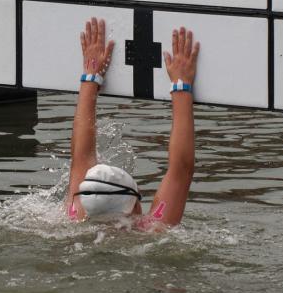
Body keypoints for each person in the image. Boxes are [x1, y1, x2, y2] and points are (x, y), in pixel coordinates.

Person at [64, 17, 200, 229]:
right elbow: (181, 168)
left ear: (83, 202)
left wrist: (91, 75)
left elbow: (81, 155)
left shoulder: (75, 217)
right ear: (135, 207)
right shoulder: (150, 230)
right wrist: (181, 82)